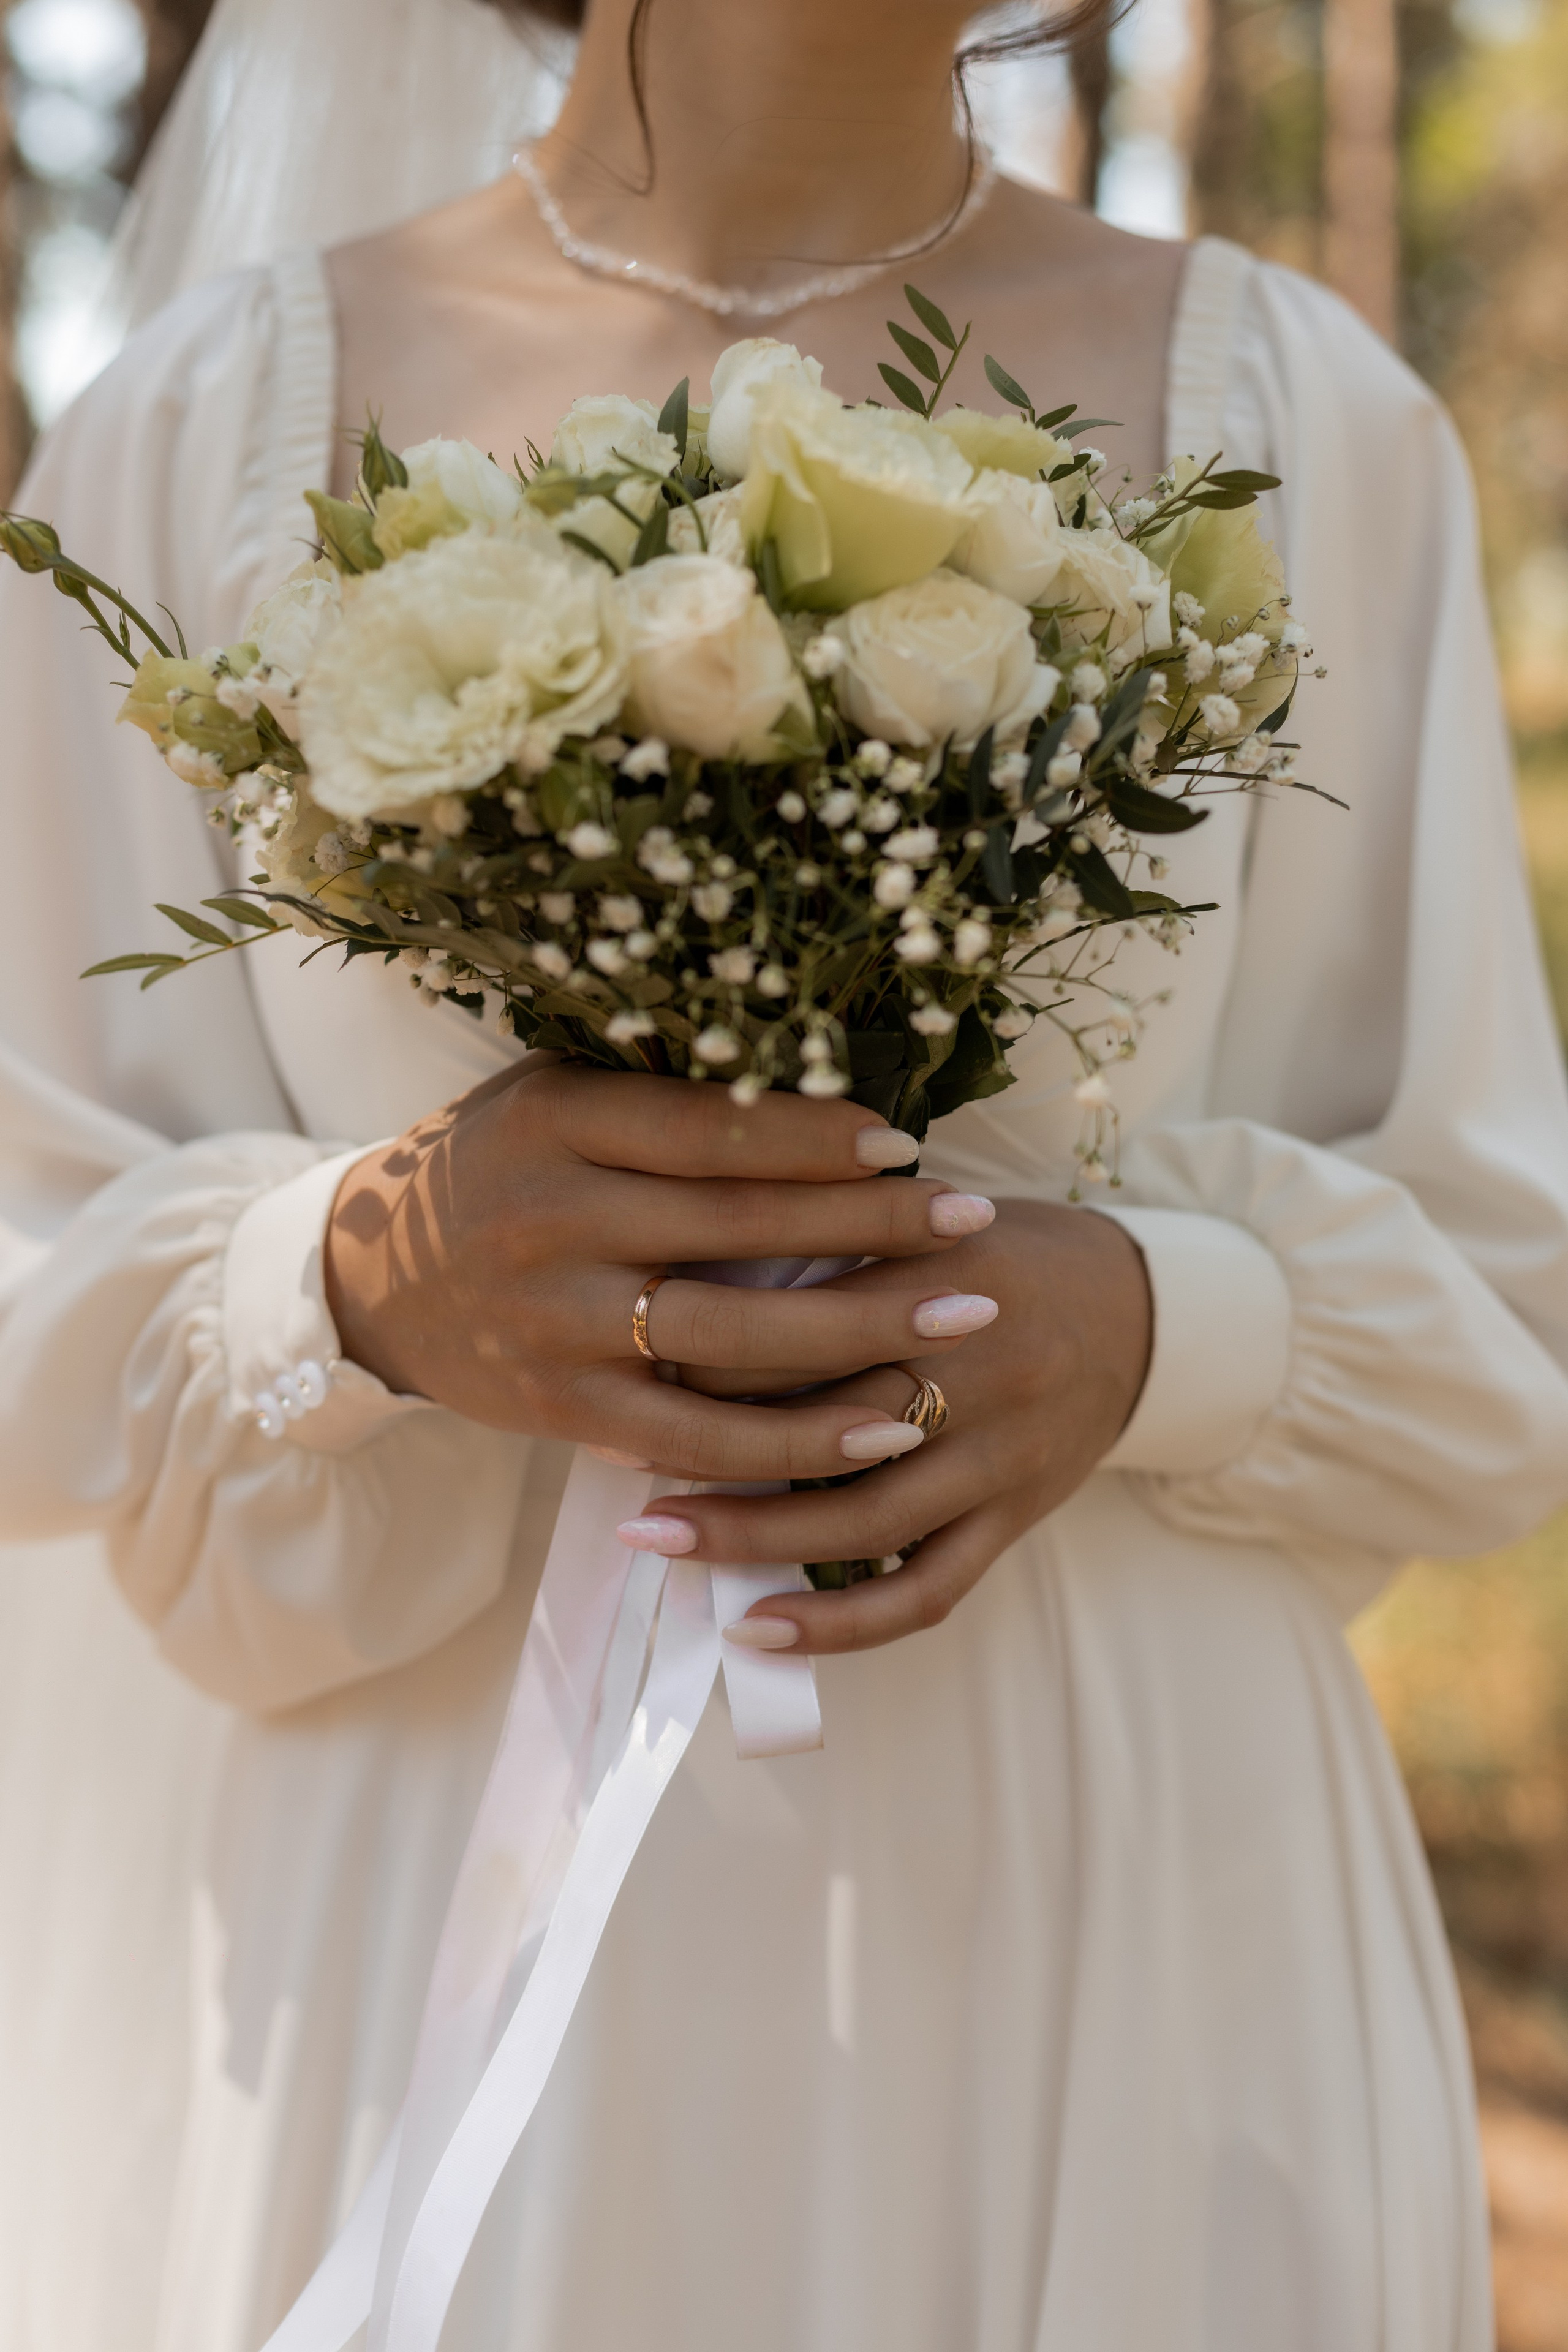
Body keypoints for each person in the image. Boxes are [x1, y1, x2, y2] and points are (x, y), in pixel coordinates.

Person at [2, 0, 1567, 2345]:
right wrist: (360, 1274)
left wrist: (1163, 1326)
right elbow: (31, 1250)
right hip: (438, 1924)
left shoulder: (1314, 426)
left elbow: (1508, 1293)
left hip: (1125, 1925)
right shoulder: (199, 427)